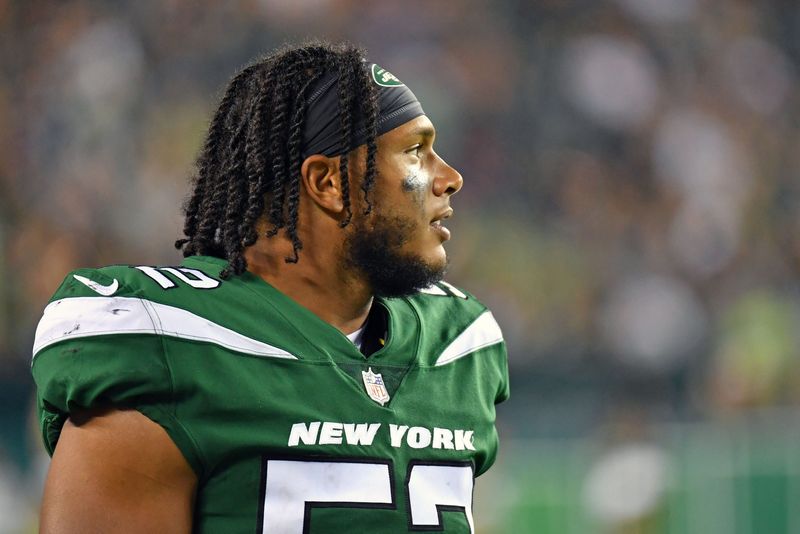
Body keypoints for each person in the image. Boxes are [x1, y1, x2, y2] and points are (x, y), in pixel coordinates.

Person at [31, 41, 509, 533]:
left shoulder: (457, 348)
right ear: (328, 183)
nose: (450, 178)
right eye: (415, 152)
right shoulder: (168, 345)